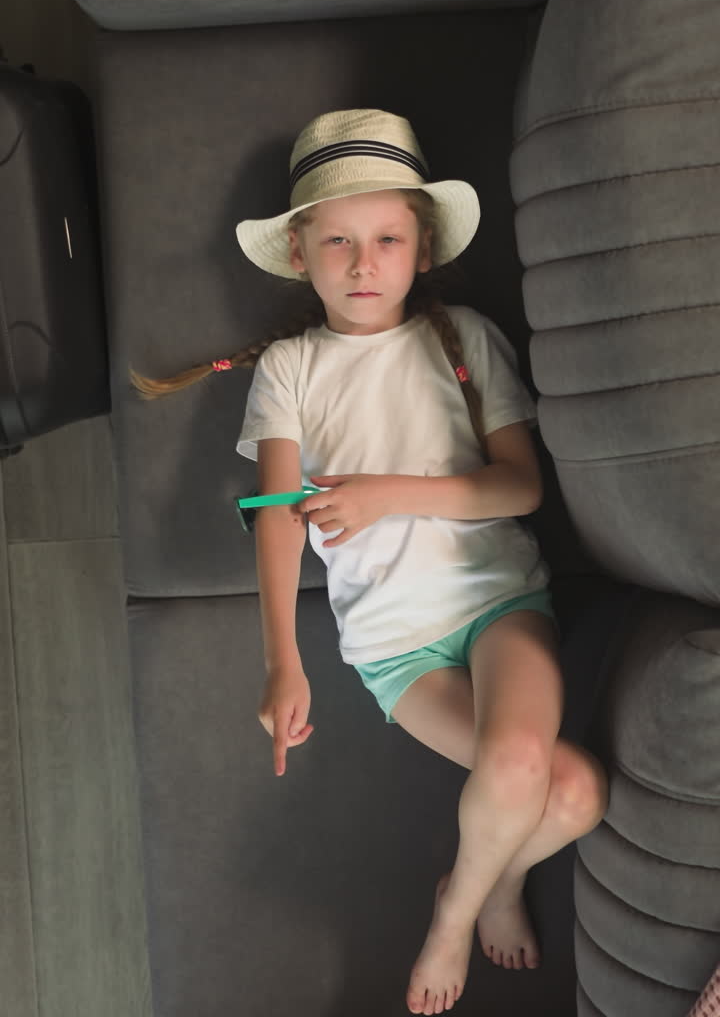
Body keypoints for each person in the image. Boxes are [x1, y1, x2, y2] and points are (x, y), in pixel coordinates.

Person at [130, 108, 608, 1016]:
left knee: (517, 766)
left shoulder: (462, 339)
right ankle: (497, 876)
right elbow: (274, 515)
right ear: (301, 255)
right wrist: (283, 659)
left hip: (501, 602)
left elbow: (519, 490)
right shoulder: (291, 369)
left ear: (421, 251)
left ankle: (462, 910)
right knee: (574, 792)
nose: (362, 262)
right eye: (338, 241)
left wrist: (388, 493)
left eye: (386, 238)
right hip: (397, 647)